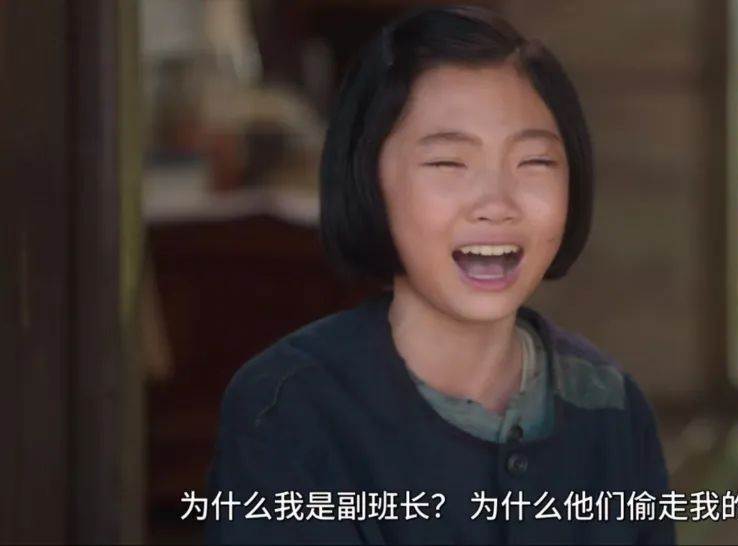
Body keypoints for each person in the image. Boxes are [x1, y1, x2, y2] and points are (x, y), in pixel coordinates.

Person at [205, 5, 674, 544]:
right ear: (368, 177)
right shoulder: (289, 407)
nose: (496, 204)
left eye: (534, 162)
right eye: (449, 163)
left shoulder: (610, 404)